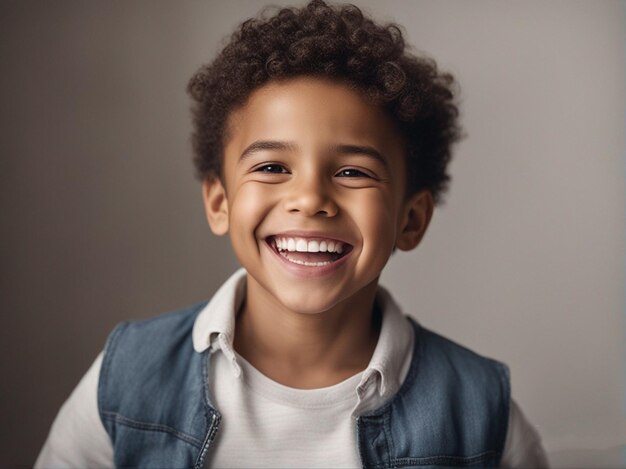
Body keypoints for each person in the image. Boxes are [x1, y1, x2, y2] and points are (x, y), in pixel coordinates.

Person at [35, 1, 549, 467]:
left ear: (410, 220)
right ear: (220, 203)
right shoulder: (127, 377)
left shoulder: (482, 414)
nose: (309, 198)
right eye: (273, 167)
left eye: (352, 172)